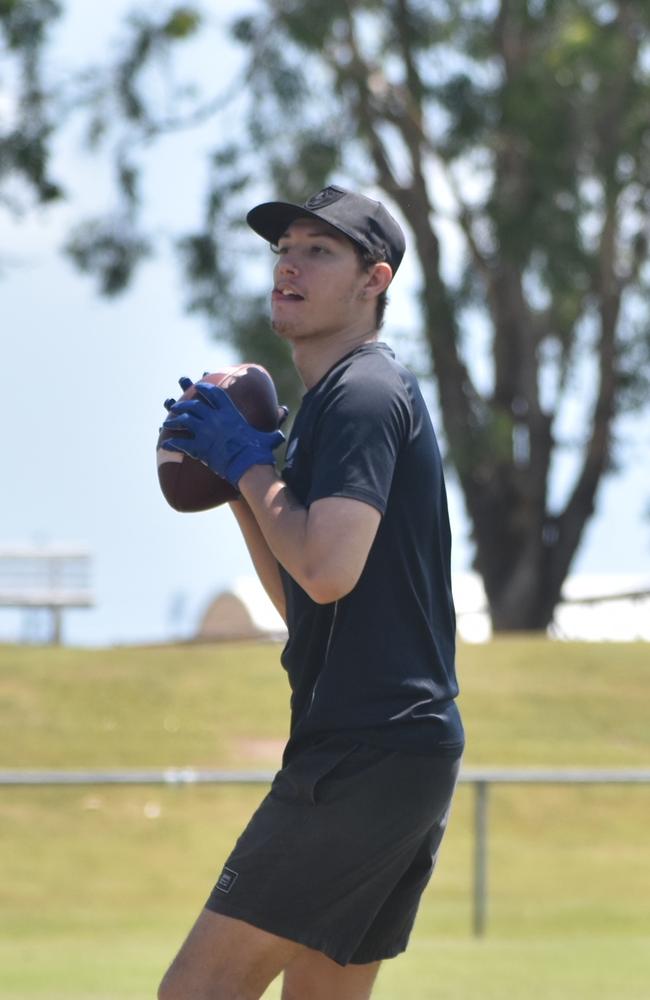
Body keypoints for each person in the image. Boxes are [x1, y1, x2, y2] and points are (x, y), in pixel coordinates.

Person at [158, 185, 465, 1000]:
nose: (289, 263)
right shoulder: (335, 402)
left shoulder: (363, 393)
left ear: (377, 279)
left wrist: (252, 464)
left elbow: (328, 567)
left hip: (366, 751)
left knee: (197, 991)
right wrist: (240, 485)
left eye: (320, 250)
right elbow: (309, 599)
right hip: (393, 751)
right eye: (284, 248)